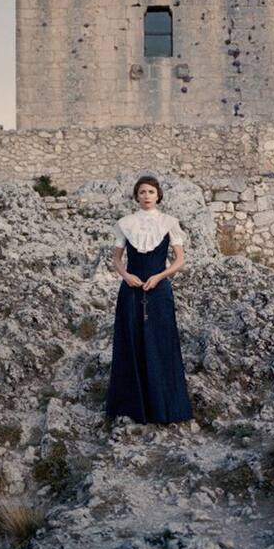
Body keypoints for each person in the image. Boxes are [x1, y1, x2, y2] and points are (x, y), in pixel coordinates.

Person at [105, 175, 194, 424]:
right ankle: (132, 407)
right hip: (131, 290)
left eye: (151, 192)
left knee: (161, 342)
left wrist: (159, 277)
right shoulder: (125, 223)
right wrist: (127, 276)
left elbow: (179, 260)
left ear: (158, 195)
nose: (146, 196)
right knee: (131, 342)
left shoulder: (169, 223)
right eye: (142, 192)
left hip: (159, 290)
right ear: (136, 196)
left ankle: (165, 407)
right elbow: (116, 259)